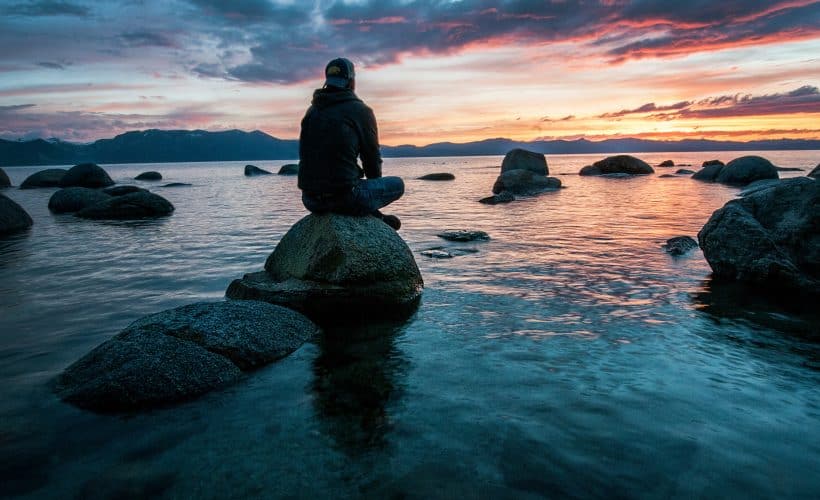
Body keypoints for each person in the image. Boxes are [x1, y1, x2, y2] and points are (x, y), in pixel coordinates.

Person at [298, 57, 404, 230]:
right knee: (398, 184)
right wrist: (372, 195)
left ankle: (376, 216)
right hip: (345, 198)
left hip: (310, 200)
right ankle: (375, 216)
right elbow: (371, 159)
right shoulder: (360, 111)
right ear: (351, 81)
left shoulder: (312, 111)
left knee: (350, 181)